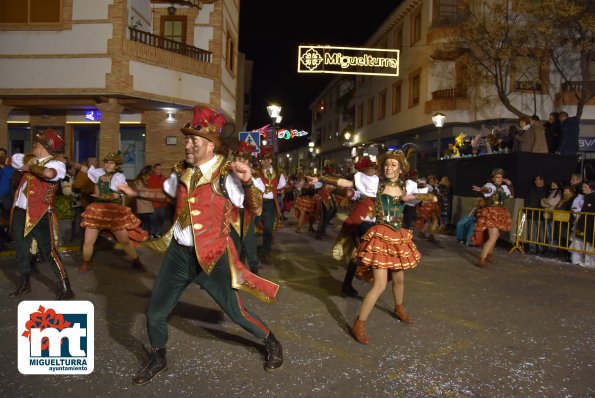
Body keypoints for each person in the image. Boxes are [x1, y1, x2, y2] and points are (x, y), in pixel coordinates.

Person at [118, 106, 283, 384]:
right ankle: (158, 356)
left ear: (210, 145)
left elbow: (253, 208)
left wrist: (247, 182)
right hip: (178, 255)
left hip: (213, 256)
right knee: (156, 311)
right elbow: (167, 194)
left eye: (193, 140)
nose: (187, 144)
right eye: (187, 139)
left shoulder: (226, 173)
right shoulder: (183, 171)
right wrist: (136, 192)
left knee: (236, 312)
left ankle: (270, 341)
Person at [307, 147, 436, 344]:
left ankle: (399, 307)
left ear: (401, 168)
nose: (388, 168)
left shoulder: (407, 186)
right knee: (380, 284)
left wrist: (412, 198)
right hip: (380, 236)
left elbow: (432, 197)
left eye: (393, 165)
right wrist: (322, 180)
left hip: (398, 237)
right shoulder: (375, 184)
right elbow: (347, 183)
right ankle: (360, 322)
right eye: (386, 164)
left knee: (400, 280)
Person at [8, 128, 75, 300]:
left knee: (49, 251)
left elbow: (48, 174)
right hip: (21, 211)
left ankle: (66, 288)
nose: (33, 147)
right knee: (21, 250)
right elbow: (12, 160)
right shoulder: (33, 159)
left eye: (36, 144)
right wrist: (24, 163)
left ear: (43, 147)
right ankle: (24, 283)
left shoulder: (56, 164)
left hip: (41, 213)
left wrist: (29, 166)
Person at [74, 150, 148, 273]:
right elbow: (85, 169)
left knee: (124, 241)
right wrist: (71, 163)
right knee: (88, 240)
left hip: (113, 210)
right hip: (97, 210)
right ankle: (86, 262)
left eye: (111, 163)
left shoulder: (119, 177)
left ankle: (136, 260)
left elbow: (116, 195)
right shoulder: (98, 173)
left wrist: (100, 197)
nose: (108, 165)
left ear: (116, 166)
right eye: (107, 162)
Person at [331, 156, 376, 297]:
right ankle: (349, 283)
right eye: (370, 168)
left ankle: (352, 280)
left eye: (374, 168)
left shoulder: (379, 184)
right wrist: (324, 181)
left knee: (361, 253)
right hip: (360, 223)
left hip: (374, 224)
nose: (373, 170)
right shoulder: (358, 185)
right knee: (359, 253)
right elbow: (346, 188)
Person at [229, 141, 262, 274]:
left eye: (242, 160)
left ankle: (253, 265)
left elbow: (257, 199)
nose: (239, 162)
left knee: (249, 240)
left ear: (247, 162)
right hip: (231, 213)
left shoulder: (251, 179)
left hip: (247, 213)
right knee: (234, 242)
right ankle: (235, 267)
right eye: (237, 159)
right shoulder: (226, 176)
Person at [471, 168, 514, 268]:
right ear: (493, 178)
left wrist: (510, 185)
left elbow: (511, 196)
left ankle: (489, 254)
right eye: (497, 177)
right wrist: (481, 189)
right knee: (492, 237)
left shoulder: (504, 187)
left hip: (501, 213)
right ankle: (481, 260)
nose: (499, 179)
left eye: (501, 177)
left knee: (496, 236)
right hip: (492, 212)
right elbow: (488, 190)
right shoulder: (489, 185)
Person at [255, 146, 287, 265]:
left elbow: (281, 185)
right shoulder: (256, 172)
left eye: (268, 159)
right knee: (251, 228)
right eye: (263, 159)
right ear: (261, 161)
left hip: (271, 205)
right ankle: (246, 252)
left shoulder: (278, 173)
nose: (266, 161)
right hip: (258, 203)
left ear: (272, 160)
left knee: (268, 230)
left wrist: (273, 190)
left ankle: (266, 253)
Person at [571, 180, 595, 268]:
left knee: (589, 243)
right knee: (580, 241)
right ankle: (578, 260)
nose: (583, 189)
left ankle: (589, 263)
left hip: (590, 223)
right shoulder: (585, 197)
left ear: (591, 188)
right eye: (583, 187)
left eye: (585, 187)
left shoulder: (592, 197)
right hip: (583, 222)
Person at [523, 175, 547, 254]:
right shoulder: (531, 189)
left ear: (542, 180)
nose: (535, 181)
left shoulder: (547, 190)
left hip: (542, 215)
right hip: (531, 214)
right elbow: (527, 200)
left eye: (537, 180)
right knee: (532, 232)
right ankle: (532, 248)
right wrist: (527, 208)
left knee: (541, 233)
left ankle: (541, 249)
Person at [133, 165, 154, 233]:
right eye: (148, 175)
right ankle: (143, 238)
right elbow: (141, 193)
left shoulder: (143, 181)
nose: (149, 177)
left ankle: (146, 237)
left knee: (147, 225)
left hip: (146, 206)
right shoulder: (139, 182)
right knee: (144, 225)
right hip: (143, 207)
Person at [147, 163, 167, 238]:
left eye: (160, 169)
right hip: (154, 203)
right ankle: (152, 233)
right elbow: (151, 190)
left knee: (160, 219)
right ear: (154, 170)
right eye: (158, 169)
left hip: (162, 203)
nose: (159, 171)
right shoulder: (151, 178)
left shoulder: (163, 178)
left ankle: (158, 232)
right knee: (153, 219)